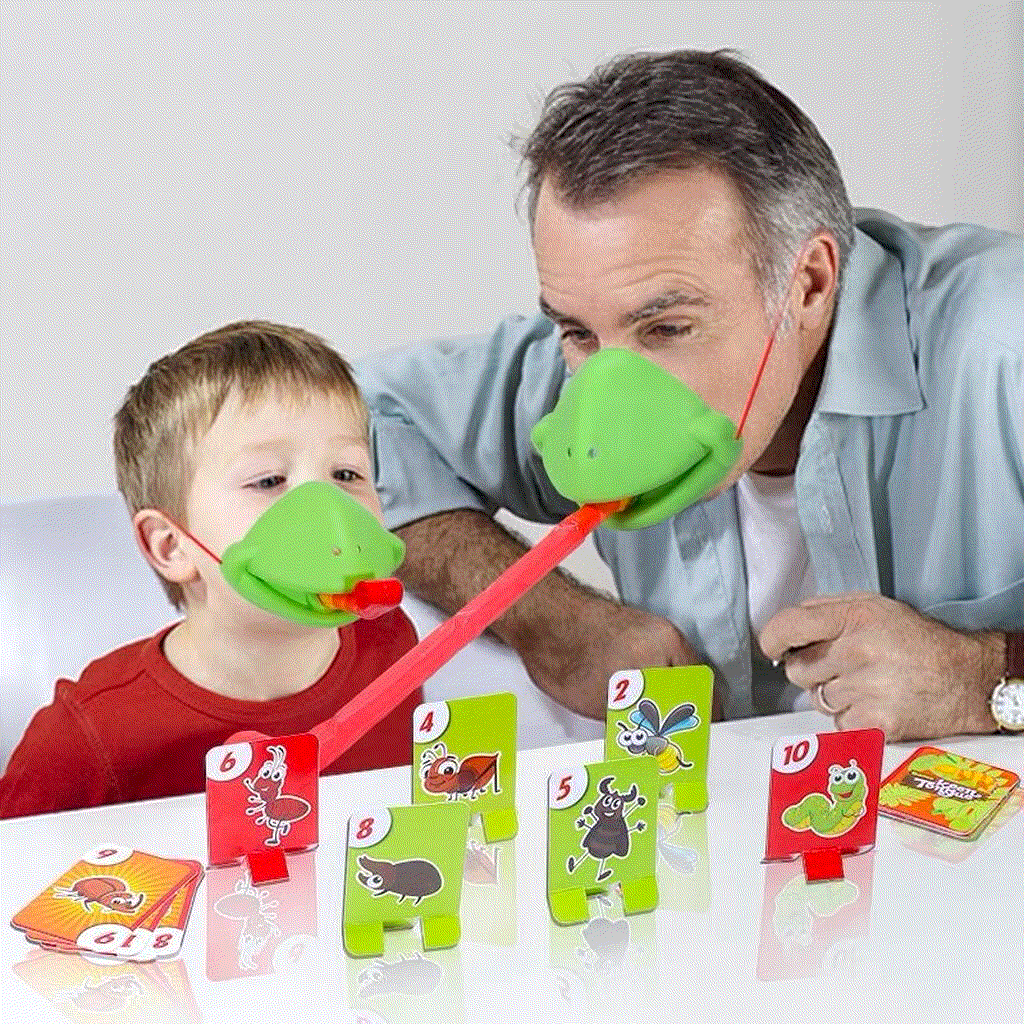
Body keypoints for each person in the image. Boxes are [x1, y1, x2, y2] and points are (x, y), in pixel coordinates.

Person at [355, 49, 1024, 742]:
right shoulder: (583, 358)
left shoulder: (1002, 343)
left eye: (667, 329)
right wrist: (548, 620)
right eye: (578, 332)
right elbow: (353, 430)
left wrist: (981, 675)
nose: (609, 396)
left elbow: (984, 678)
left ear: (810, 284)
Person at [0, 321, 420, 818]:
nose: (331, 511)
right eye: (269, 480)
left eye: (346, 474)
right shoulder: (86, 739)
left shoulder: (389, 646)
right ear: (172, 546)